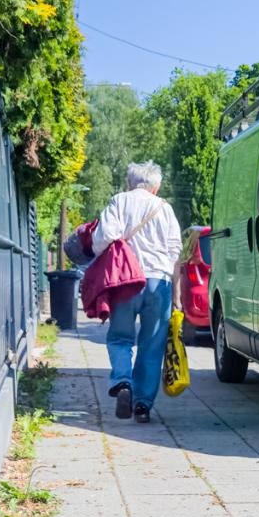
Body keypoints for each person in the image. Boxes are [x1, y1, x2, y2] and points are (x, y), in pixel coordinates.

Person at [92, 161, 184, 423]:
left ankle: (123, 381)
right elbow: (175, 252)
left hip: (126, 281)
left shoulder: (119, 201)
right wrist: (176, 296)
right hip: (159, 282)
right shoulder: (165, 208)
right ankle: (143, 404)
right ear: (156, 187)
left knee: (120, 338)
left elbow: (103, 237)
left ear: (129, 183)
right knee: (152, 345)